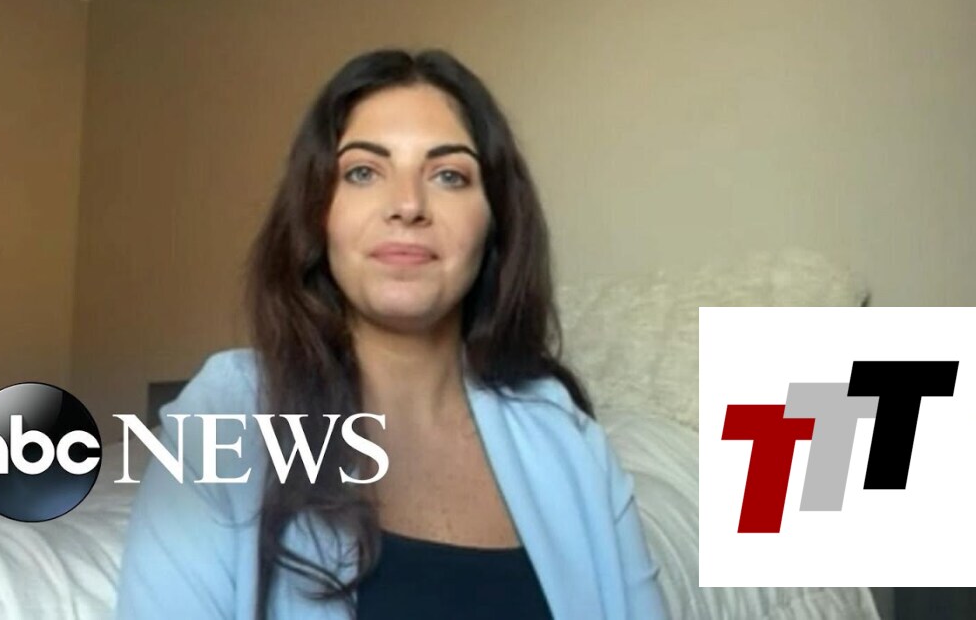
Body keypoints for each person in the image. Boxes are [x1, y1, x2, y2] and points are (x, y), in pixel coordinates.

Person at [115, 48, 666, 620]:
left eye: (449, 175)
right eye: (363, 172)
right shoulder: (225, 413)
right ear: (318, 215)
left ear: (495, 222)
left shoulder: (567, 438)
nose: (407, 205)